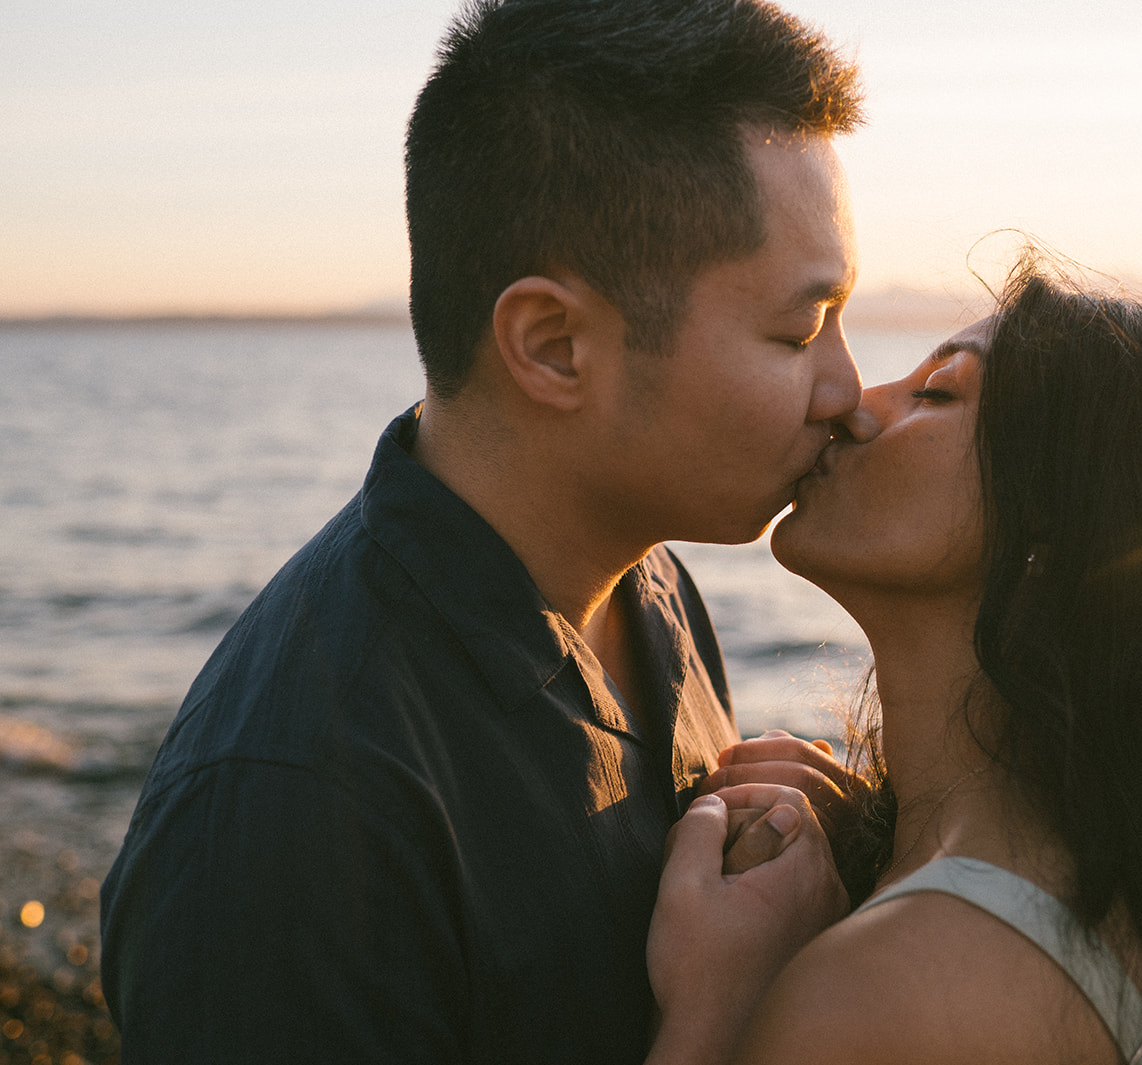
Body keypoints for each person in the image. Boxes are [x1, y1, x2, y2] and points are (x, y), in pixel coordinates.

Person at [99, 1, 863, 1060]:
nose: (849, 390)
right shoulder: (293, 813)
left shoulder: (649, 588)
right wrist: (715, 1020)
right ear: (553, 347)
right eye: (799, 330)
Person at [649, 258, 1142, 1064]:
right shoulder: (1109, 906)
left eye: (937, 393)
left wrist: (715, 1011)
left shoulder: (888, 996)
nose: (853, 404)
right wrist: (875, 853)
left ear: (1055, 535)